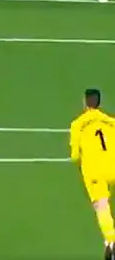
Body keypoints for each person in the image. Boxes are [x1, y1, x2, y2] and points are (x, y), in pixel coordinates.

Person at [70, 88, 115, 260]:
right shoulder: (111, 122)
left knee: (102, 206)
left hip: (95, 170)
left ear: (85, 102)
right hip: (113, 165)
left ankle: (111, 241)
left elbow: (75, 155)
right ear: (99, 103)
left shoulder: (77, 125)